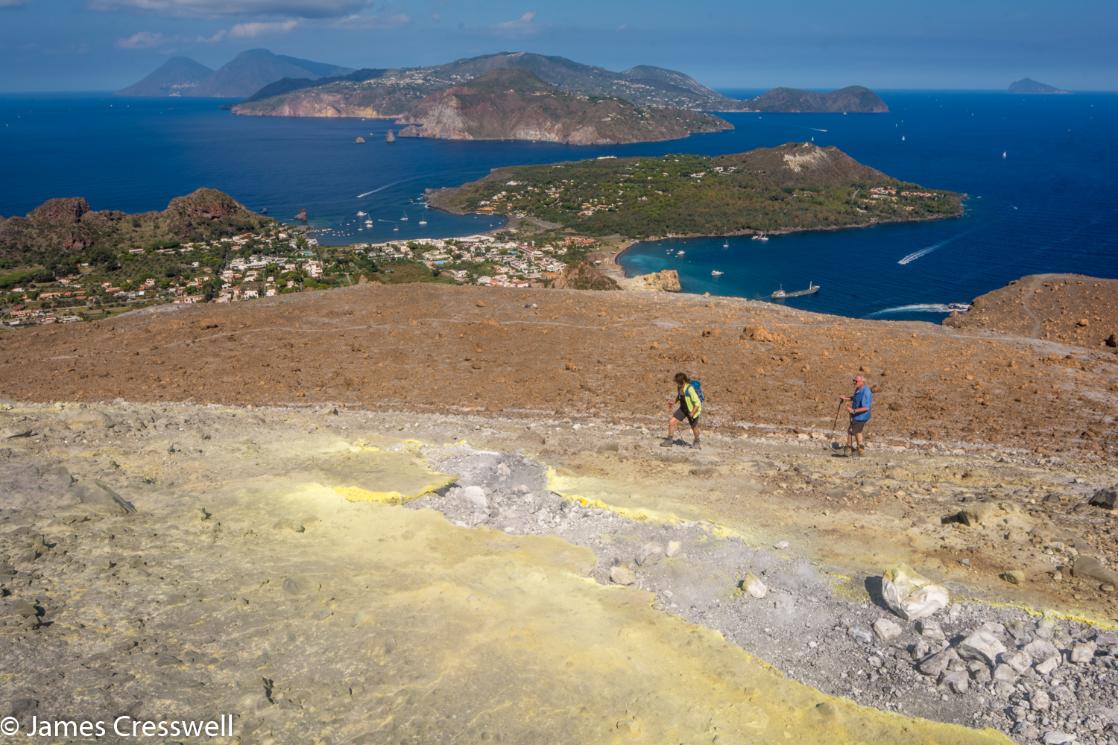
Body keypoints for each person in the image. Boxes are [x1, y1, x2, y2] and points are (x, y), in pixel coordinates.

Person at [663, 372, 702, 449]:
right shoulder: (679, 387)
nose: (677, 384)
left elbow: (697, 403)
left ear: (683, 381)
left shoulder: (690, 389)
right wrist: (674, 402)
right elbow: (679, 396)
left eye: (678, 382)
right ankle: (669, 441)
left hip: (692, 410)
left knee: (694, 427)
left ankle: (697, 441)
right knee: (672, 422)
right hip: (683, 409)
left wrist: (692, 412)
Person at [839, 374, 872, 456]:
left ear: (862, 382)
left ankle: (848, 450)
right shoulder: (858, 389)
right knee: (858, 432)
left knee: (850, 431)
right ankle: (860, 450)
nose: (854, 382)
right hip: (858, 415)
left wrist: (853, 410)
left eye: (856, 381)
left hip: (861, 416)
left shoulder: (866, 392)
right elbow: (855, 397)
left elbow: (866, 408)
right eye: (853, 380)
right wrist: (846, 398)